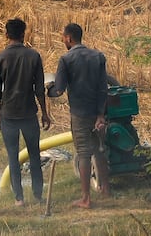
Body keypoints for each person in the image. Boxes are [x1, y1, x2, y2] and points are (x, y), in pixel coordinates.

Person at [47, 22, 113, 208]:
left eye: (63, 37)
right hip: (99, 113)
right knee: (100, 150)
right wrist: (101, 114)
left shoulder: (66, 59)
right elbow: (103, 87)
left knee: (83, 153)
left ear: (69, 38)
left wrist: (48, 90)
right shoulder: (98, 56)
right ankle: (105, 189)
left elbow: (59, 90)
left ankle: (86, 199)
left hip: (80, 114)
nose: (62, 40)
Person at [0, 17, 51, 206]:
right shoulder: (34, 56)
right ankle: (38, 195)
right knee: (34, 155)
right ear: (23, 34)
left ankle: (19, 198)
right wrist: (44, 113)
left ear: (7, 35)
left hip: (8, 114)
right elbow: (39, 89)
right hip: (28, 114)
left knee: (13, 156)